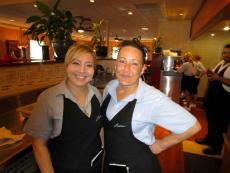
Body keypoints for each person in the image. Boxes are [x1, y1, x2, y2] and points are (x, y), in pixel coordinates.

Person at [101, 39, 201, 173]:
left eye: (134, 64)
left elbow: (193, 126)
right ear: (116, 63)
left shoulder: (151, 98)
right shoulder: (110, 87)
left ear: (142, 69)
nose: (126, 69)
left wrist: (160, 145)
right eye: (122, 61)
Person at [24, 44, 103, 173]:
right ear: (66, 66)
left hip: (93, 167)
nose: (82, 70)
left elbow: (98, 131)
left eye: (89, 65)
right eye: (76, 63)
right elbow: (39, 145)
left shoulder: (96, 94)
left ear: (94, 69)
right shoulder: (49, 98)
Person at [196, 43, 230, 155]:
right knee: (210, 120)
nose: (226, 55)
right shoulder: (222, 63)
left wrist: (217, 78)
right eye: (225, 52)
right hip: (213, 96)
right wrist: (211, 76)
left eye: (229, 53)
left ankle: (216, 148)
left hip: (224, 99)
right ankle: (209, 139)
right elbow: (215, 76)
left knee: (219, 124)